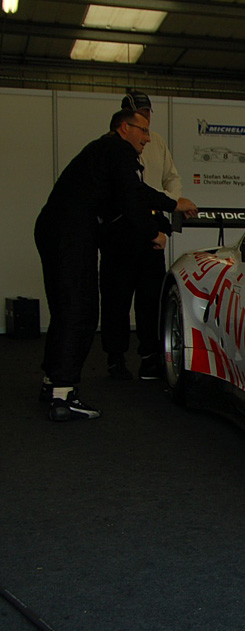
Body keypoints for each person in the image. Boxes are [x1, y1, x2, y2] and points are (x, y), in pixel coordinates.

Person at [35, 108, 198, 421]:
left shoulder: (101, 154)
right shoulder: (117, 149)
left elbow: (124, 201)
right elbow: (132, 195)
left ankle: (53, 382)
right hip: (70, 232)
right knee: (79, 308)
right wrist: (161, 221)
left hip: (56, 228)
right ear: (125, 128)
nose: (148, 139)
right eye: (144, 131)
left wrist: (158, 218)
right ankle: (62, 392)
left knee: (65, 307)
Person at [101, 90, 183, 381]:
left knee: (150, 300)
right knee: (116, 298)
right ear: (127, 119)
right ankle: (115, 357)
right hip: (121, 234)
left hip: (151, 231)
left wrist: (163, 227)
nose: (146, 126)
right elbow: (129, 193)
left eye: (148, 114)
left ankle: (150, 356)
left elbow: (172, 179)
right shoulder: (114, 147)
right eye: (140, 116)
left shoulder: (156, 142)